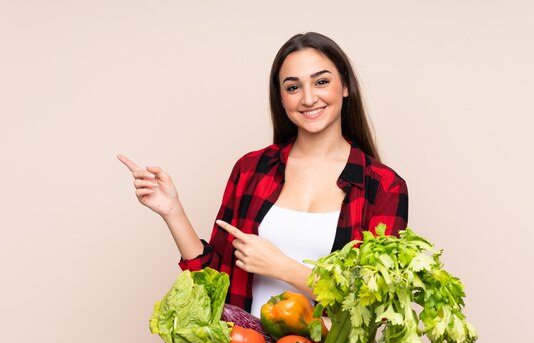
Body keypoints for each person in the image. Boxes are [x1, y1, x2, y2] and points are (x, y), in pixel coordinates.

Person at [118, 32, 408, 317]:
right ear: (281, 98)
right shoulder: (251, 169)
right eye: (293, 87)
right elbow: (215, 284)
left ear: (345, 86)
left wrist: (282, 267)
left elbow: (375, 302)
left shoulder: (383, 186)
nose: (308, 98)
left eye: (321, 82)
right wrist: (173, 211)